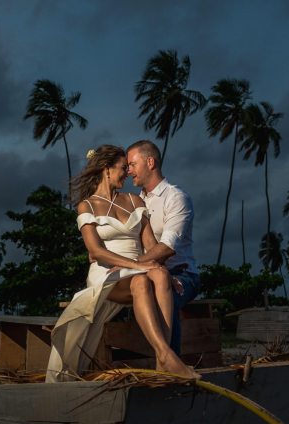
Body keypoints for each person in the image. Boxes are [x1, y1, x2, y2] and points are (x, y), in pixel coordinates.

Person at [46, 145, 200, 383]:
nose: (127, 172)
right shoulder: (86, 206)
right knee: (142, 277)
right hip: (108, 272)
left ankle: (165, 356)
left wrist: (159, 269)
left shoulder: (135, 200)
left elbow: (150, 246)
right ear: (106, 169)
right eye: (122, 167)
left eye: (129, 167)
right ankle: (167, 355)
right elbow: (96, 251)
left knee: (155, 276)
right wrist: (137, 265)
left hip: (136, 268)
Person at [126, 140, 201, 356]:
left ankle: (170, 361)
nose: (128, 170)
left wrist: (129, 265)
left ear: (150, 162)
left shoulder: (176, 198)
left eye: (132, 164)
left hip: (183, 275)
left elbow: (168, 247)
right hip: (145, 272)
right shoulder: (134, 202)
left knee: (164, 296)